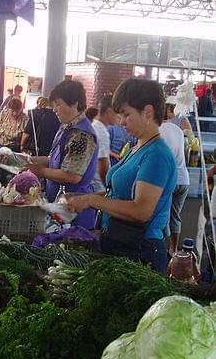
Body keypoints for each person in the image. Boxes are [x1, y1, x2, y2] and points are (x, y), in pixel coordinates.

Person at [67, 78, 177, 274]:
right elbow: (117, 194)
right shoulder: (136, 147)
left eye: (127, 115)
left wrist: (91, 200)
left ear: (148, 112)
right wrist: (81, 199)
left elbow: (141, 211)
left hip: (140, 252)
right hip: (120, 243)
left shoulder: (156, 155)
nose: (122, 122)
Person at [26, 80, 98, 229]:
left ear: (74, 104)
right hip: (60, 205)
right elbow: (56, 160)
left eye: (58, 104)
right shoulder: (67, 127)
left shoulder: (81, 134)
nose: (54, 110)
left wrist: (41, 171)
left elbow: (72, 175)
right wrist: (28, 160)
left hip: (74, 209)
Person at [159, 119, 190, 256]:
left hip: (169, 179)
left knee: (163, 215)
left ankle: (161, 248)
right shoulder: (178, 130)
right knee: (175, 216)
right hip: (184, 178)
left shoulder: (158, 130)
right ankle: (173, 249)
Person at [91, 95, 118, 194]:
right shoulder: (101, 132)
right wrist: (108, 187)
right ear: (109, 111)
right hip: (98, 186)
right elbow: (102, 163)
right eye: (118, 114)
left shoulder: (94, 126)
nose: (120, 118)